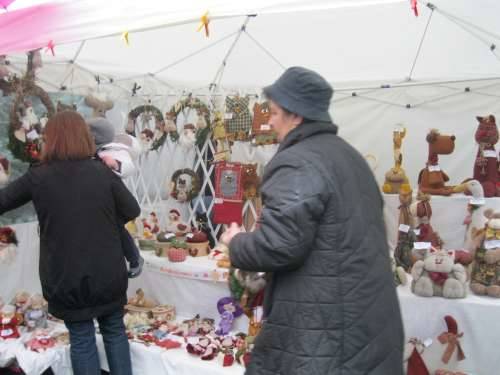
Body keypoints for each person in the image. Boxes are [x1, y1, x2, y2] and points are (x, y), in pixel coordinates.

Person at [221, 67, 404, 375]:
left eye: (275, 112)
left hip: (325, 330)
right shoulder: (350, 157)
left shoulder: (297, 162)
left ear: (297, 116)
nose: (269, 120)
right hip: (366, 321)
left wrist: (236, 242)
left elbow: (280, 246)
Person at [0, 111, 140, 375]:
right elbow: (131, 209)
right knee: (114, 331)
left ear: (51, 139)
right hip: (107, 272)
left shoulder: (38, 176)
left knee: (82, 339)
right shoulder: (102, 172)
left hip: (66, 276)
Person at [87, 117, 144, 278]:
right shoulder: (90, 153)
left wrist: (115, 164)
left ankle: (134, 258)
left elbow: (128, 167)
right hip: (98, 198)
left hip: (113, 198)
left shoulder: (113, 151)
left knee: (118, 228)